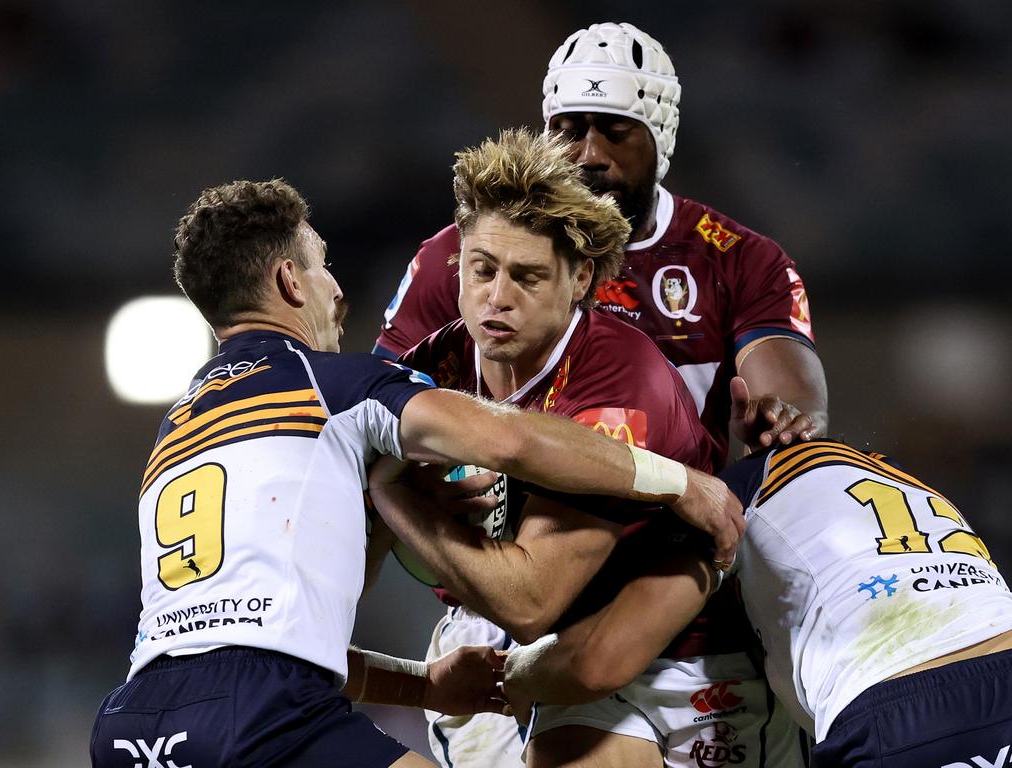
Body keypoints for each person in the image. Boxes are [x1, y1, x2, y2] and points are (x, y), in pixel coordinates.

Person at [87, 179, 742, 768]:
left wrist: (423, 686)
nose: (337, 290)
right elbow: (509, 438)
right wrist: (683, 482)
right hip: (264, 715)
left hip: (131, 722)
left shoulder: (178, 426)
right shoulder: (337, 386)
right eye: (323, 266)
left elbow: (255, 643)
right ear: (291, 281)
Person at [367, 129, 788, 768]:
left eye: (527, 277)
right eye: (481, 270)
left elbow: (530, 600)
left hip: (684, 652)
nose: (496, 297)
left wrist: (392, 494)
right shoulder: (438, 363)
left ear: (580, 278)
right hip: (550, 655)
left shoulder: (619, 379)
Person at [374, 21, 829, 472]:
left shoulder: (740, 259)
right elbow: (379, 400)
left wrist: (776, 426)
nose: (589, 155)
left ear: (661, 137)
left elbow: (792, 417)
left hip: (674, 528)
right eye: (571, 131)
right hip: (500, 516)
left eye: (614, 131)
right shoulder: (465, 257)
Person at [503, 422, 1012, 767]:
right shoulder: (895, 472)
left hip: (901, 707)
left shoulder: (732, 494)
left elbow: (600, 662)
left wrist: (510, 671)